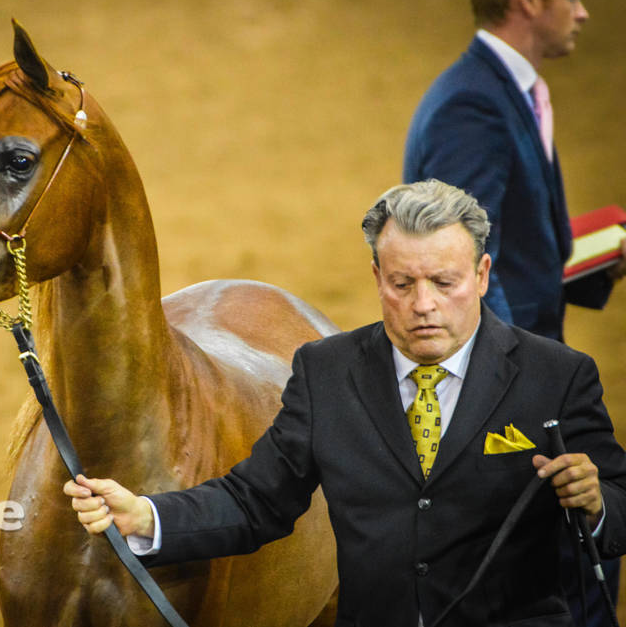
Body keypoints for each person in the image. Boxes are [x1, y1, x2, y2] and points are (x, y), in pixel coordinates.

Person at [65, 180, 626, 626]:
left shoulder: (557, 375)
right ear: (378, 278)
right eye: (403, 284)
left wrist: (597, 502)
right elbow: (256, 500)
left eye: (444, 282)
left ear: (481, 277)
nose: (424, 305)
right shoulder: (326, 373)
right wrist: (148, 515)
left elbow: (621, 506)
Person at [403, 0, 624, 620]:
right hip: (510, 402)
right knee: (568, 579)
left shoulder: (501, 92)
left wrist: (585, 255)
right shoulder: (472, 105)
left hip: (524, 375)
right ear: (529, 0)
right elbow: (457, 268)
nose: (583, 12)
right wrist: (520, 394)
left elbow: (503, 248)